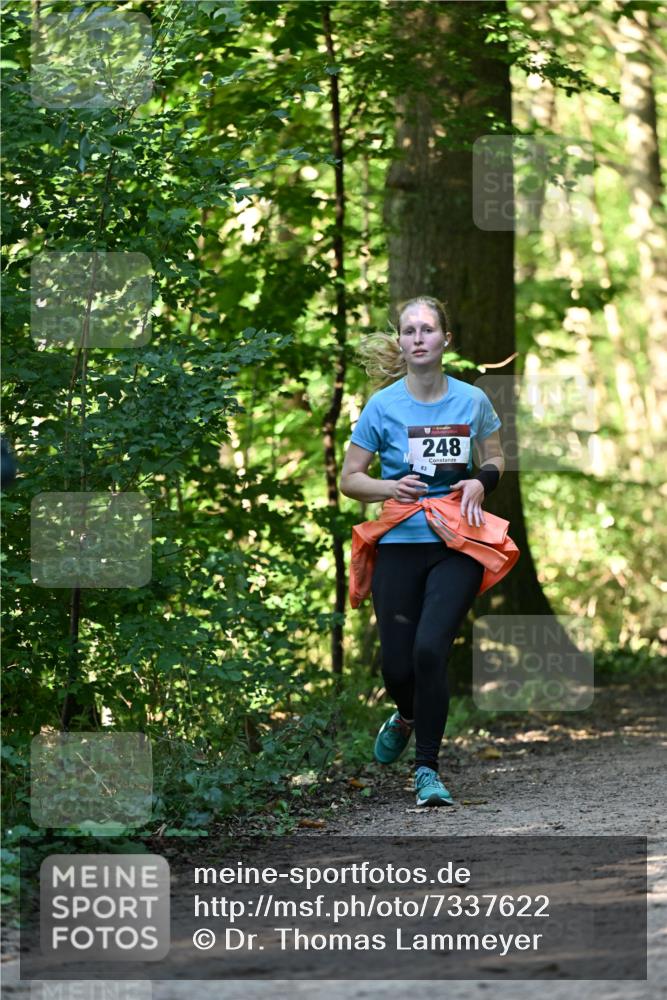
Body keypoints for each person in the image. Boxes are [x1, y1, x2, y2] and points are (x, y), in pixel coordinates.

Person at [340, 295, 506, 807]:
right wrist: (390, 489)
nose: (417, 337)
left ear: (445, 340)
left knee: (431, 649)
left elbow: (495, 455)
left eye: (427, 329)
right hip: (400, 543)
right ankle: (406, 714)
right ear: (401, 341)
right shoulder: (383, 406)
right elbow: (350, 479)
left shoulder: (472, 401)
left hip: (457, 542)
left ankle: (427, 770)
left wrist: (480, 481)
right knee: (396, 666)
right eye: (408, 330)